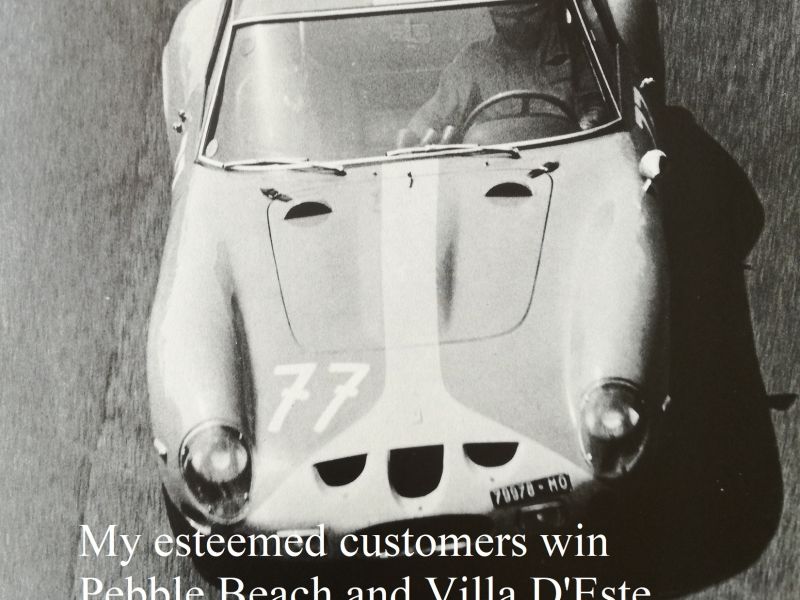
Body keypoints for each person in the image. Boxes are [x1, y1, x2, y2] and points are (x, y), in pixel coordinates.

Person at [399, 0, 606, 147]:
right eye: (509, 16)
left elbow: (597, 106)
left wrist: (584, 133)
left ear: (544, 8)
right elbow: (433, 116)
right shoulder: (474, 60)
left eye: (528, 13)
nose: (520, 23)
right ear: (493, 15)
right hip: (490, 165)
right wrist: (415, 136)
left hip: (563, 157)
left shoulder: (574, 49)